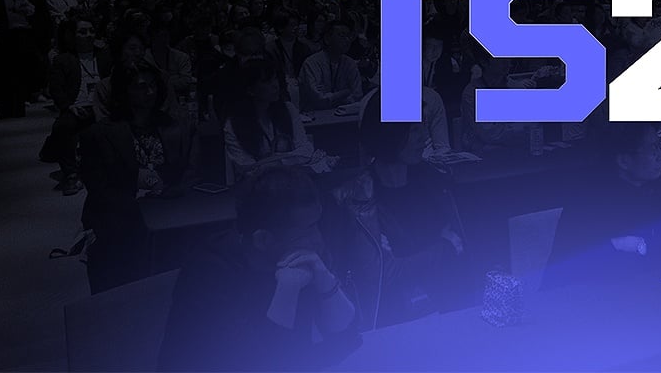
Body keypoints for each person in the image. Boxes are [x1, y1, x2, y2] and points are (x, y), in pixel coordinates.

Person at [158, 167, 361, 371]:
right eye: (307, 230)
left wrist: (326, 283)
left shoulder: (308, 256)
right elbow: (255, 365)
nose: (318, 239)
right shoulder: (209, 273)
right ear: (263, 240)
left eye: (316, 225)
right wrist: (287, 290)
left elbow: (348, 340)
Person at [325, 118, 471, 329]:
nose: (424, 137)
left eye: (423, 127)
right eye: (413, 129)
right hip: (393, 320)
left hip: (449, 305)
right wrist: (444, 247)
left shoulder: (434, 179)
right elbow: (383, 274)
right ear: (389, 134)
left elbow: (461, 251)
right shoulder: (356, 198)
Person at [80, 61, 197, 293]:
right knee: (119, 256)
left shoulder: (177, 126)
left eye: (153, 85)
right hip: (120, 214)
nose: (150, 92)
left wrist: (168, 196)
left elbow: (190, 173)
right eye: (141, 86)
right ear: (124, 91)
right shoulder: (100, 134)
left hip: (170, 210)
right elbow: (98, 187)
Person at [546, 122, 661, 288]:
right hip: (587, 292)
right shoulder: (590, 198)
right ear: (624, 161)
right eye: (652, 150)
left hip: (650, 285)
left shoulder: (657, 183)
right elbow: (578, 266)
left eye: (660, 147)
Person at [224, 58, 334, 180]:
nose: (275, 85)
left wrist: (273, 162)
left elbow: (305, 151)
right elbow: (246, 167)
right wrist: (288, 158)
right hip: (258, 186)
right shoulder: (233, 124)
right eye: (267, 82)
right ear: (250, 90)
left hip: (292, 180)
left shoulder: (288, 109)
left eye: (275, 79)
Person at [44, 17, 110, 195]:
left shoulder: (105, 56)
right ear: (73, 36)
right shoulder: (63, 60)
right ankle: (71, 174)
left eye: (91, 31)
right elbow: (56, 89)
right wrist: (68, 106)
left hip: (103, 106)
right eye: (82, 32)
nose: (89, 35)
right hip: (77, 106)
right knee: (63, 126)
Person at [299, 19, 363, 111]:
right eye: (342, 35)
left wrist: (332, 98)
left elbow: (357, 95)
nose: (347, 40)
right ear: (327, 39)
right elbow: (318, 99)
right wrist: (346, 92)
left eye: (349, 36)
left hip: (343, 114)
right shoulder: (311, 63)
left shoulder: (350, 63)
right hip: (315, 115)